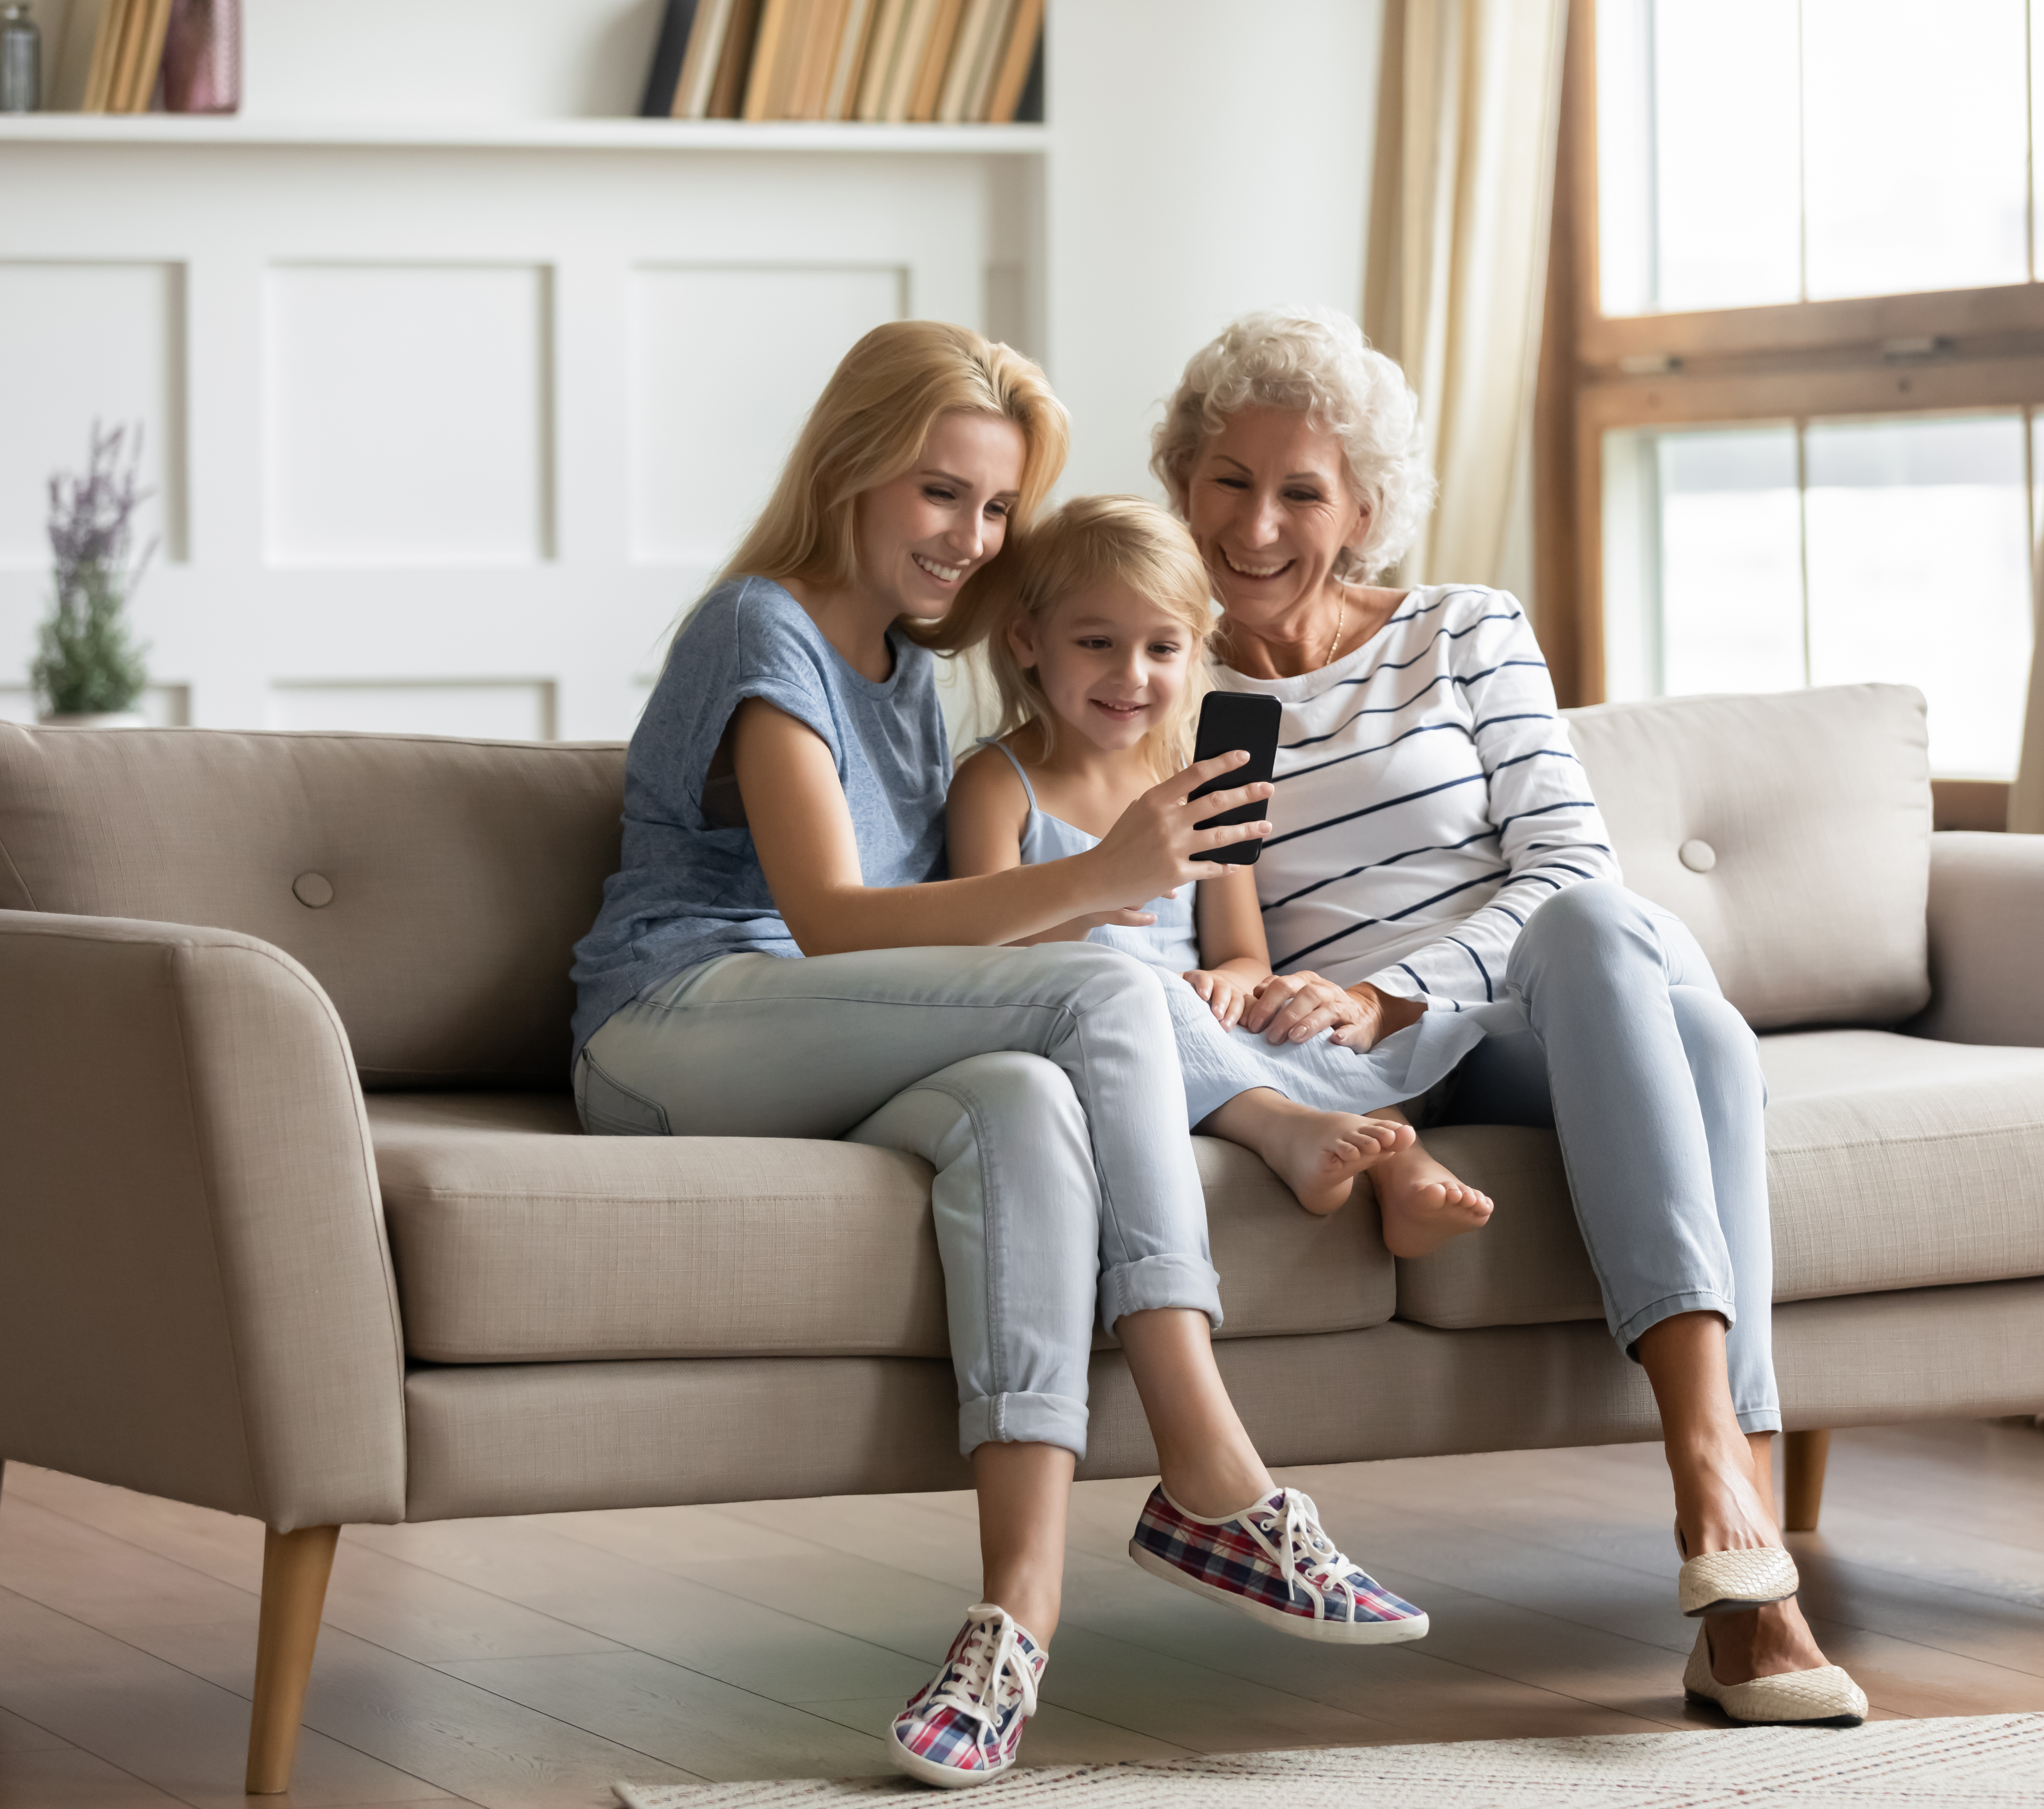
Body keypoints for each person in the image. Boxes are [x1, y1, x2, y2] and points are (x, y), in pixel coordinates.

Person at [569, 322, 1431, 1791]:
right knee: (1096, 987)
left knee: (1029, 1102)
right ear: (850, 471)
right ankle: (1213, 1466)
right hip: (678, 1022)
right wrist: (1104, 877)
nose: (971, 539)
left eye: (993, 509)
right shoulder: (758, 625)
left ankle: (1012, 1618)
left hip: (826, 1031)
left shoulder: (906, 671)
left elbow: (925, 951)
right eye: (938, 494)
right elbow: (837, 925)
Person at [1149, 305, 1868, 1727]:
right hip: (1373, 1061)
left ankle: (1714, 1489)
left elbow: (1570, 867)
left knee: (1601, 930)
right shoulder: (1183, 690)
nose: (1258, 523)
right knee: (1714, 1046)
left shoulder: (1461, 631)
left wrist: (1393, 984)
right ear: (1181, 483)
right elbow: (1197, 927)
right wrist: (1342, 1014)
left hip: (1543, 1008)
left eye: (1302, 488)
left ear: (1360, 508)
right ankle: (1740, 1569)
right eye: (1229, 479)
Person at [947, 493, 1497, 1246]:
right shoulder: (995, 783)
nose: (1131, 675)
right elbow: (983, 959)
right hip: (1079, 1034)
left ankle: (1405, 1170)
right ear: (1027, 640)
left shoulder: (1204, 780)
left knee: (1298, 1014)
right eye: (1096, 642)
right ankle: (1283, 1132)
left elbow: (1245, 953)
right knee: (1142, 997)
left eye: (1162, 649)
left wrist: (1234, 984)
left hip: (1200, 1021)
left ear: (1197, 648)